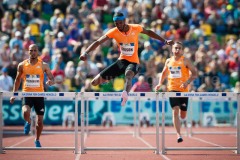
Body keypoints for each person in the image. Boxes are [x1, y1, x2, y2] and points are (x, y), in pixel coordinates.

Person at [80, 12, 173, 106]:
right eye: (116, 24)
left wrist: (164, 41)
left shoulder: (135, 27)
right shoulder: (114, 31)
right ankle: (110, 78)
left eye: (120, 23)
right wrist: (86, 52)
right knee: (94, 82)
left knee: (128, 75)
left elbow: (149, 32)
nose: (119, 25)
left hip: (134, 62)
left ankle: (125, 95)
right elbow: (98, 42)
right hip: (122, 61)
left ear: (124, 21)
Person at [9, 44, 55, 147]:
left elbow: (52, 78)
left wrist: (50, 82)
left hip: (39, 95)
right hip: (27, 93)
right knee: (25, 111)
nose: (33, 52)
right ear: (28, 51)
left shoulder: (44, 65)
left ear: (38, 51)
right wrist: (14, 94)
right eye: (31, 50)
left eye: (35, 50)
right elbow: (17, 80)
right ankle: (28, 122)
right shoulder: (22, 65)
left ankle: (37, 139)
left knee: (40, 121)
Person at [155, 42, 197, 143]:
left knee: (183, 115)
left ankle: (181, 121)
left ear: (182, 50)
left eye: (179, 48)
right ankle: (178, 134)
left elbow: (195, 73)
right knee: (175, 110)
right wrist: (160, 83)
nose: (177, 50)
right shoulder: (168, 61)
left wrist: (187, 82)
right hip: (172, 89)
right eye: (175, 48)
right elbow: (164, 73)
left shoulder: (185, 60)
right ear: (172, 50)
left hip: (183, 91)